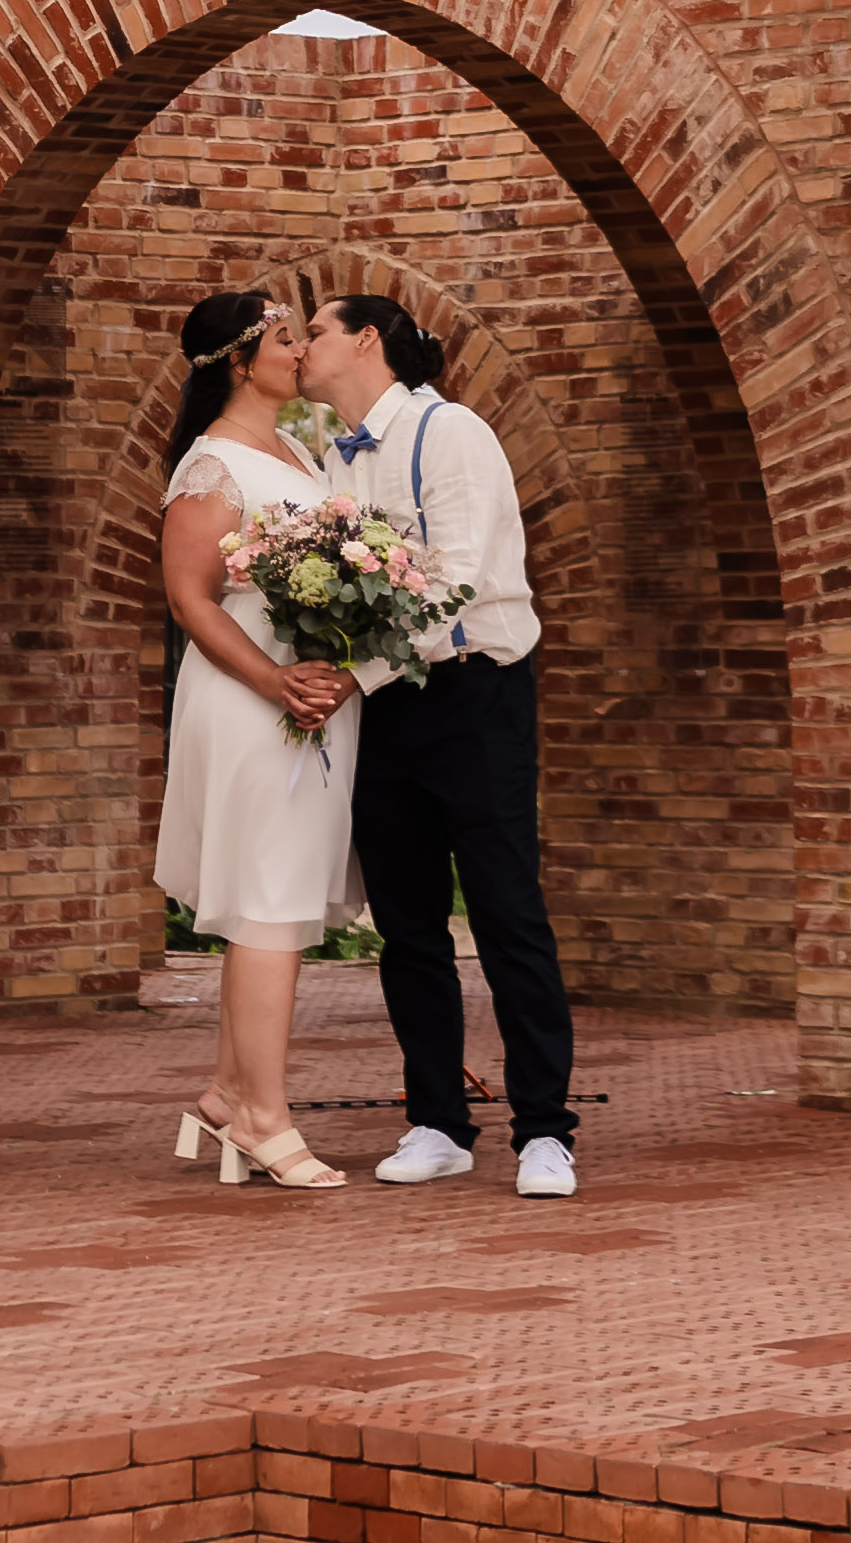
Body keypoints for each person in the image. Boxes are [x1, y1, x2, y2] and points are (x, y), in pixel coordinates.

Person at [298, 292, 576, 1197]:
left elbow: (452, 587)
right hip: (384, 712)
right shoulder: (333, 456)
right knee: (408, 926)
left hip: (474, 697)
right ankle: (437, 1123)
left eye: (315, 331)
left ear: (365, 341)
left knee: (506, 914)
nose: (301, 346)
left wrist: (355, 675)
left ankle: (545, 1131)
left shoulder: (451, 432)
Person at [147, 287, 365, 1188]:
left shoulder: (299, 451)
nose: (299, 350)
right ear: (239, 362)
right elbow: (191, 599)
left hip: (307, 697)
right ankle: (266, 1121)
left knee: (276, 904)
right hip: (252, 701)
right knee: (268, 903)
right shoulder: (212, 468)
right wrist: (274, 680)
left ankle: (228, 1095)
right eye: (284, 337)